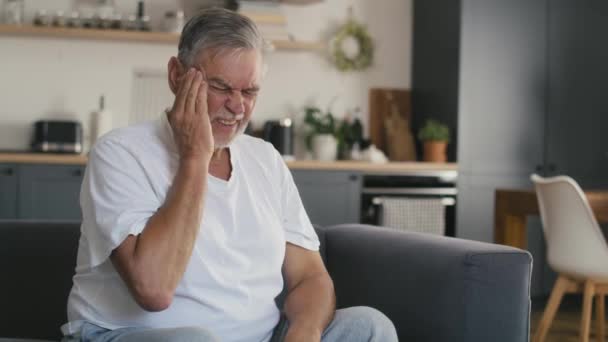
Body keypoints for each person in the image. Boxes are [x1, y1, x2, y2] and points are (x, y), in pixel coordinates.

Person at [61, 8, 397, 342]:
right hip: (136, 335)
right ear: (176, 76)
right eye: (221, 87)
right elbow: (154, 290)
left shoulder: (265, 158)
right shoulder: (119, 153)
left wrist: (304, 333)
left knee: (369, 326)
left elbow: (309, 276)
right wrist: (195, 156)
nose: (237, 107)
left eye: (250, 92)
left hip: (262, 336)